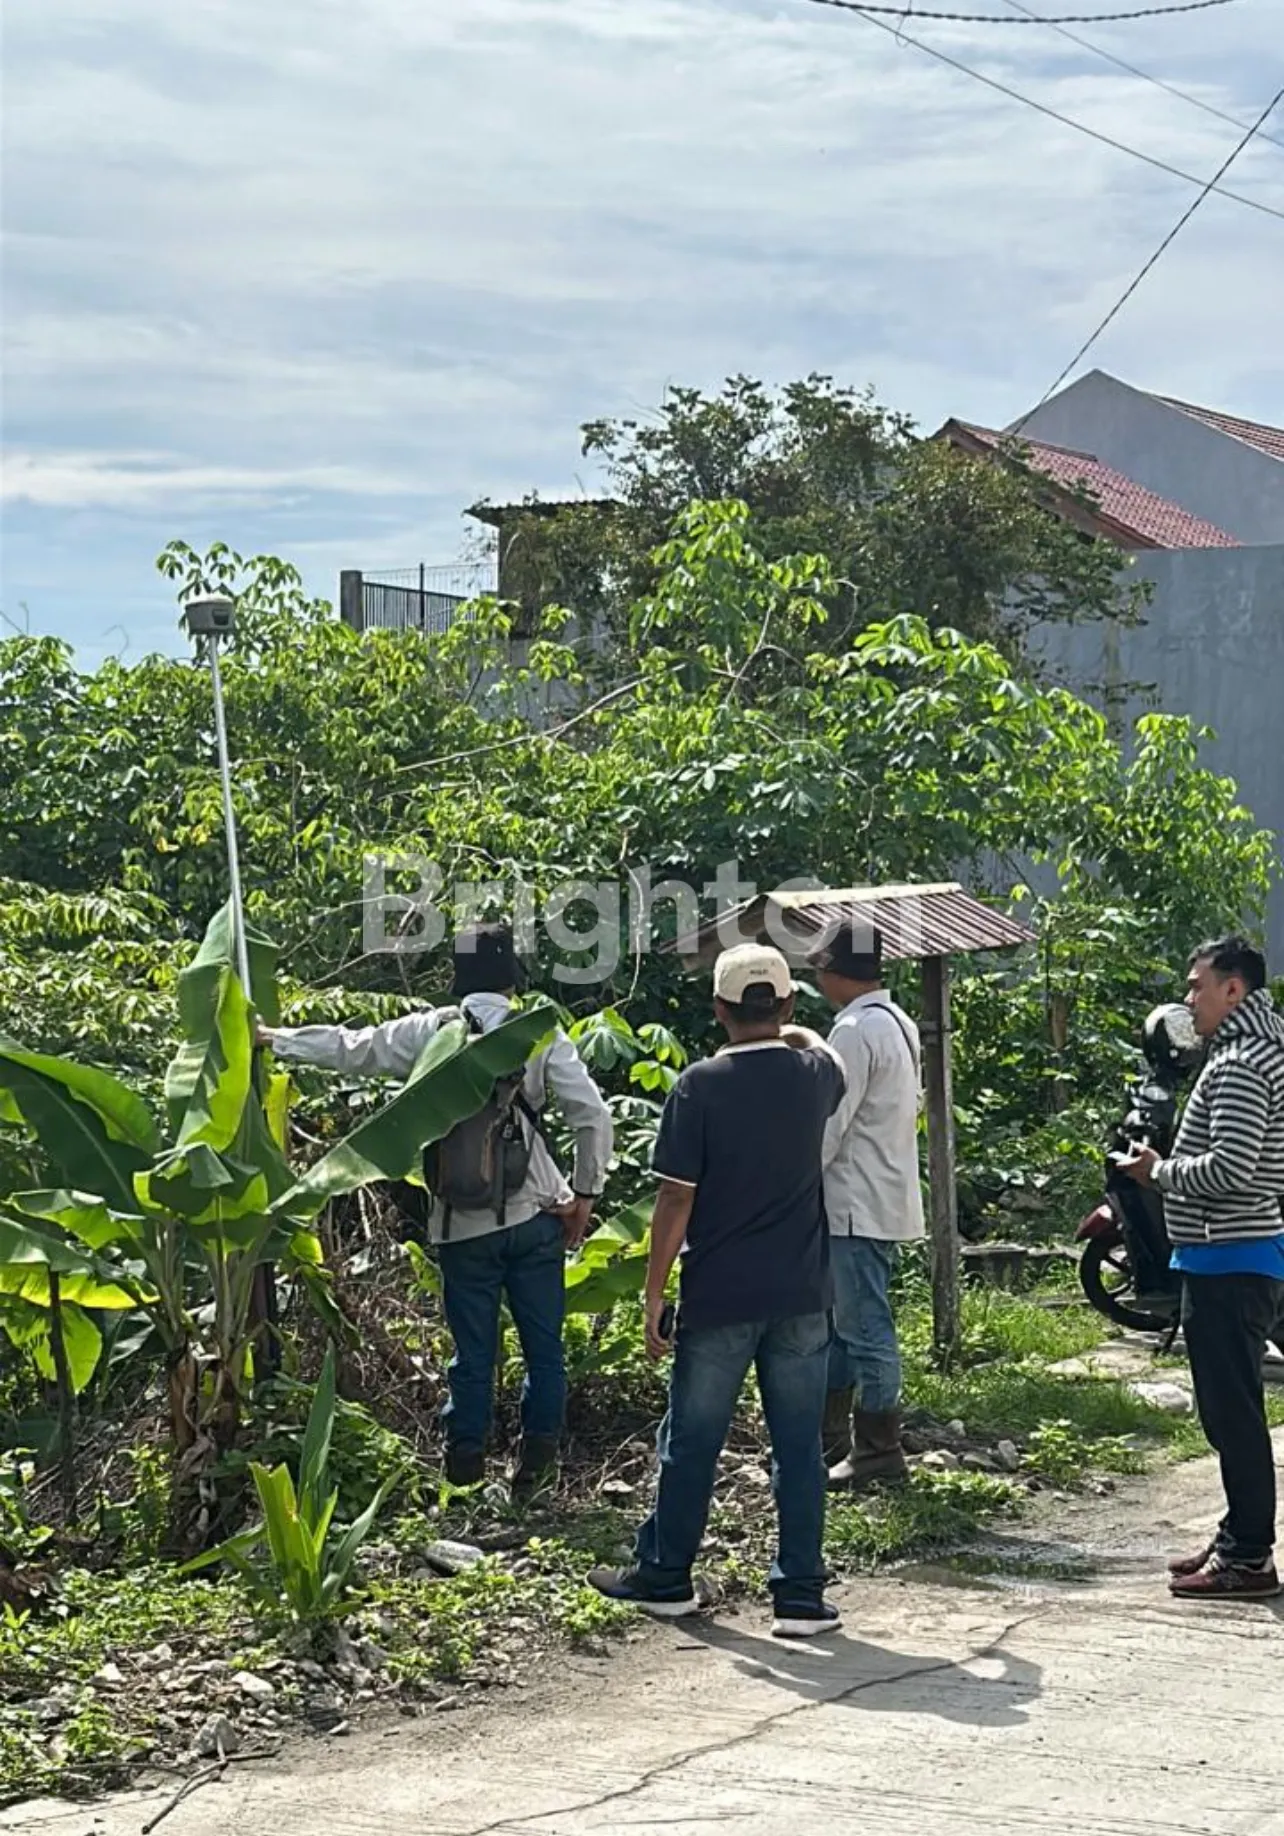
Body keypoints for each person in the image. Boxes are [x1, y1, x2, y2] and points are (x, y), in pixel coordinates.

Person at [259, 921, 613, 1494]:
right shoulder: (539, 1033)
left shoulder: (434, 1030)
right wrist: (586, 1195)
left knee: (472, 1355)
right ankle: (535, 1472)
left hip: (460, 1225)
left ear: (459, 974)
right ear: (512, 977)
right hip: (536, 1215)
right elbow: (592, 1115)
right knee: (544, 1352)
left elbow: (354, 1048)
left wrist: (277, 1039)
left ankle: (464, 1471)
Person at [588, 943, 847, 1638]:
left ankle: (667, 1576)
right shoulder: (815, 1076)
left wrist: (654, 1292)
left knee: (693, 1441)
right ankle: (799, 1595)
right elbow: (821, 1047)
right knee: (798, 1448)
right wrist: (791, 1028)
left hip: (721, 1293)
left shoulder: (699, 1086)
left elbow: (676, 1198)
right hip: (802, 1292)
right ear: (786, 1003)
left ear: (717, 1009)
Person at [1120, 935, 1284, 1600]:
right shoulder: (1256, 1049)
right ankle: (1237, 1534)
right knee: (1232, 1409)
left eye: (1198, 985)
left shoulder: (1242, 1063)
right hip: (1234, 1253)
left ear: (1233, 990)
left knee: (1232, 1414)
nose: (1189, 999)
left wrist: (1158, 1172)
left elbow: (1232, 1168)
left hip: (1228, 1260)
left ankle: (1248, 1557)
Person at [807, 926, 924, 1490]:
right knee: (842, 1326)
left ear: (835, 972)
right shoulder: (897, 1021)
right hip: (882, 1192)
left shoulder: (852, 1031)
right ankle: (832, 1438)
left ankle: (878, 1448)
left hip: (852, 1199)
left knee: (864, 1326)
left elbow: (830, 1123)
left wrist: (792, 1182)